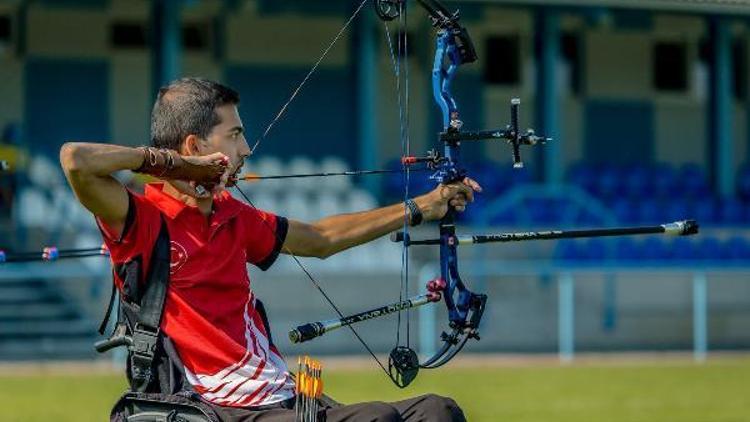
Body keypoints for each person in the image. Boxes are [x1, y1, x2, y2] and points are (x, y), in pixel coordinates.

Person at [60, 78, 479, 421]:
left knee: (439, 412)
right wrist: (173, 166)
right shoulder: (144, 218)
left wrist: (424, 205)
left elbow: (320, 239)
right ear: (193, 146)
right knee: (376, 419)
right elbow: (75, 160)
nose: (245, 150)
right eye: (235, 135)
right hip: (212, 405)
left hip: (279, 397)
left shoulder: (232, 216)